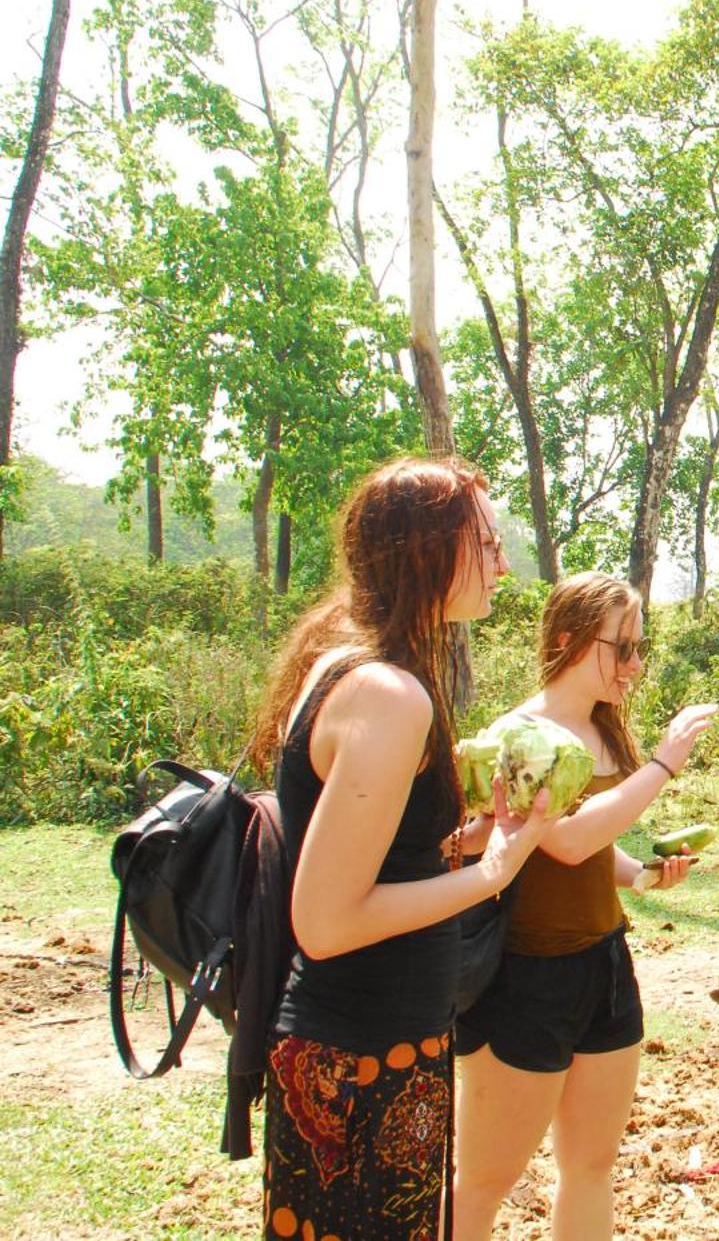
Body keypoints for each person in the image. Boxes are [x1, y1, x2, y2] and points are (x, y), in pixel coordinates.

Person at [249, 456, 553, 1241]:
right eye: (486, 544)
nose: (503, 563)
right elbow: (326, 917)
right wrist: (493, 872)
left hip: (378, 1049)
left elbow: (376, 858)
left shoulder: (349, 668)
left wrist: (463, 843)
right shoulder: (388, 693)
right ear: (427, 550)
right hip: (358, 1064)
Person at [452, 571, 719, 1240]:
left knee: (593, 1164)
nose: (635, 663)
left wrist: (641, 877)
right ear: (569, 640)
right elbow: (564, 840)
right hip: (525, 976)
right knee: (485, 1179)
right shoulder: (519, 732)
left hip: (604, 965)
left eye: (640, 646)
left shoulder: (605, 730)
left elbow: (594, 849)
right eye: (621, 646)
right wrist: (663, 766)